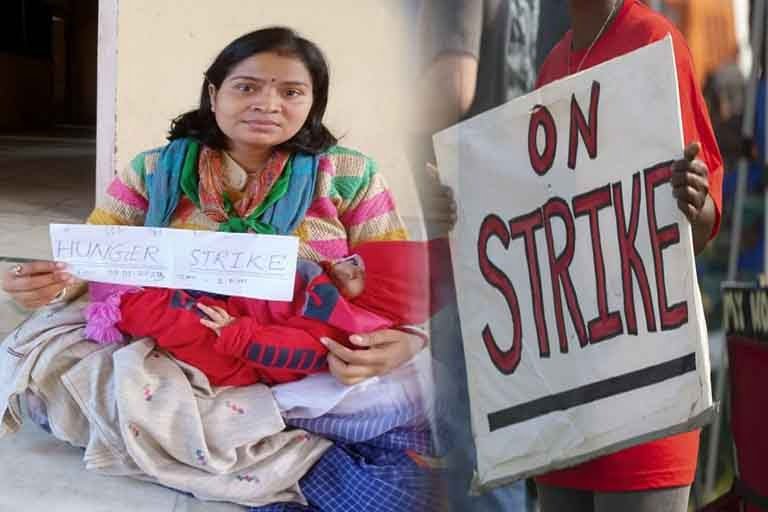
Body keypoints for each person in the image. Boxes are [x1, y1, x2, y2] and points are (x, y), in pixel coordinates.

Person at [0, 27, 437, 509]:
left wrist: (403, 341)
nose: (268, 104)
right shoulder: (154, 170)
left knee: (413, 384)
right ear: (214, 94)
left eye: (291, 92)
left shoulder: (352, 174)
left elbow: (400, 279)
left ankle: (223, 439)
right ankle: (267, 443)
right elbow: (94, 260)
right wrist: (50, 285)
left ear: (313, 102)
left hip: (304, 350)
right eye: (247, 86)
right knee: (44, 366)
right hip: (181, 347)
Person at [533, 1, 724, 511]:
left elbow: (700, 224)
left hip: (645, 383)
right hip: (566, 388)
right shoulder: (552, 63)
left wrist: (695, 198)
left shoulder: (653, 40)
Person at [83, 240, 440, 387]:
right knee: (173, 297)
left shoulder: (340, 325)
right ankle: (122, 294)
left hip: (239, 351)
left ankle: (121, 305)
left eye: (359, 275)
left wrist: (240, 334)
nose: (346, 268)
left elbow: (294, 350)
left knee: (182, 319)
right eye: (353, 260)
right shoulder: (327, 280)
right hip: (235, 306)